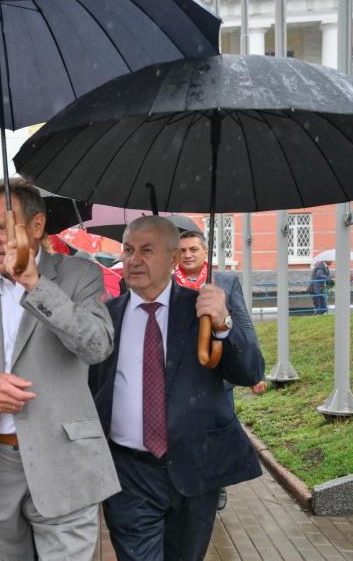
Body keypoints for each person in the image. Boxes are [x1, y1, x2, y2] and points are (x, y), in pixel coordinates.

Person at [0, 179, 118, 561]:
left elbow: (97, 346)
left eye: (1, 228)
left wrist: (35, 283)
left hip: (64, 459)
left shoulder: (80, 275)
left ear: (36, 226)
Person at [89, 216, 264, 561]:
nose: (134, 260)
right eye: (128, 249)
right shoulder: (106, 317)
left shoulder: (202, 311)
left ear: (172, 259)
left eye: (147, 250)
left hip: (195, 467)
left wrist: (224, 324)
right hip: (128, 474)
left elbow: (250, 371)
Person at [176, 229, 265, 509]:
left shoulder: (224, 282)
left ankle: (218, 482)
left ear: (205, 252)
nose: (187, 255)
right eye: (182, 250)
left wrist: (255, 370)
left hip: (219, 371)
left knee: (217, 428)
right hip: (184, 370)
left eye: (193, 249)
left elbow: (244, 324)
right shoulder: (168, 281)